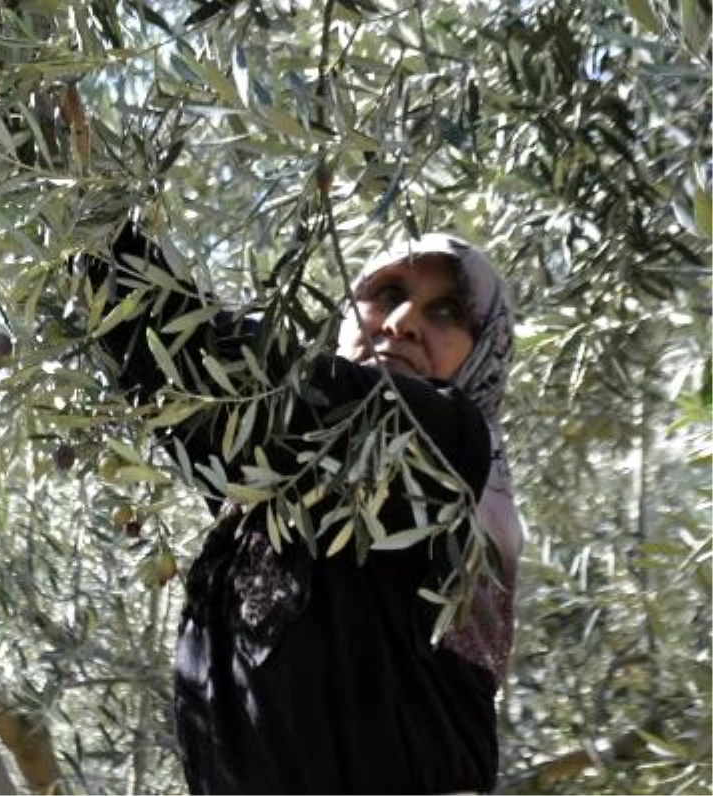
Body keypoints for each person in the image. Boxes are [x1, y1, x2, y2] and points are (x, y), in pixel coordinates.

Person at [79, 216, 522, 795]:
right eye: (388, 293)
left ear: (484, 347)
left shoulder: (450, 443)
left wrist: (94, 217)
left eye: (446, 312)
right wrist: (71, 213)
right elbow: (172, 369)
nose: (406, 321)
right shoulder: (263, 500)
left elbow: (245, 381)